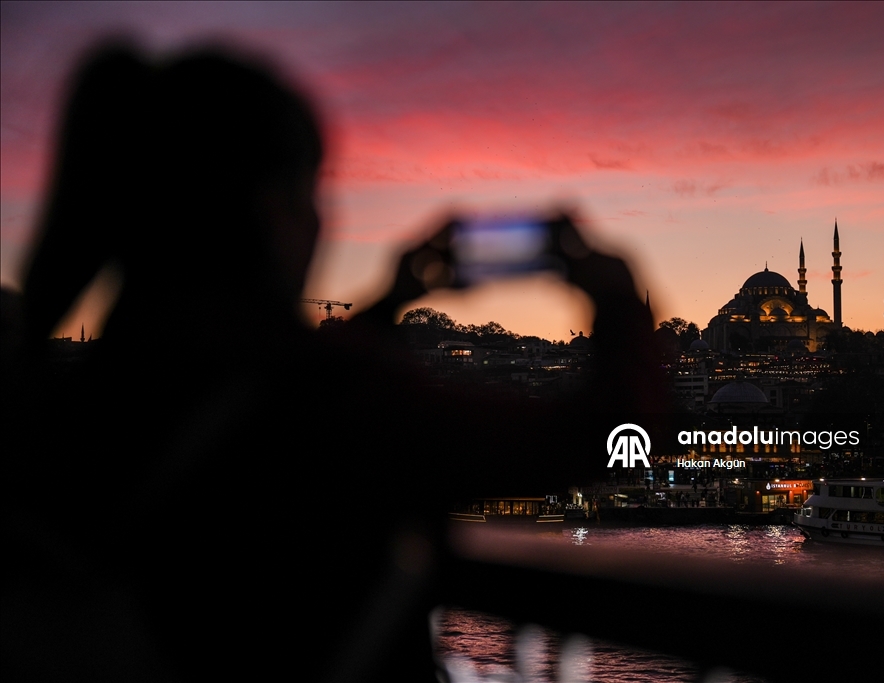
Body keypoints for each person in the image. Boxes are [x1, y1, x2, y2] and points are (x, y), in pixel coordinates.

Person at [5, 41, 663, 682]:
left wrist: (390, 304)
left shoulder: (69, 397)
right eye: (313, 193)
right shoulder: (344, 406)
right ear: (274, 209)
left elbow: (271, 383)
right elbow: (608, 436)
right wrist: (619, 299)